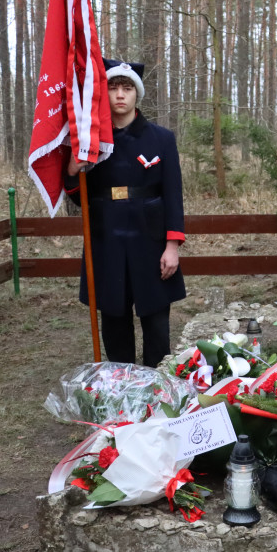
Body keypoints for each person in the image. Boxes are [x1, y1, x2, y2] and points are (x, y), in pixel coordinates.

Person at [65, 59, 186, 368]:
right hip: (107, 237)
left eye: (127, 88)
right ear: (104, 93)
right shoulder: (92, 141)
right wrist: (71, 171)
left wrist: (172, 246)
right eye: (113, 87)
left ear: (137, 94)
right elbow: (79, 199)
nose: (120, 94)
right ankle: (121, 386)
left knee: (156, 321)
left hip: (151, 238)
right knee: (114, 320)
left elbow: (172, 194)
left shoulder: (161, 139)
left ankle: (158, 388)